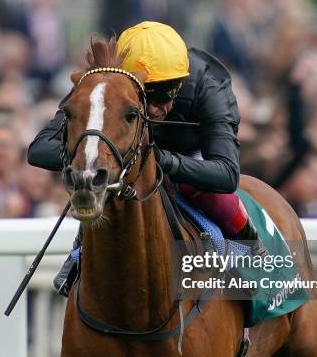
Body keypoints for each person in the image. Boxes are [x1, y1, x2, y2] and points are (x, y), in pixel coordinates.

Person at [28, 21, 266, 295]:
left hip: (188, 156)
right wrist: (91, 153)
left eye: (164, 95)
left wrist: (157, 159)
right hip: (124, 158)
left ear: (180, 85)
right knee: (98, 186)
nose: (154, 107)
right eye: (145, 95)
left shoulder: (208, 86)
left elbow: (226, 174)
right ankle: (78, 258)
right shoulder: (109, 83)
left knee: (215, 197)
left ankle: (256, 256)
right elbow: (39, 150)